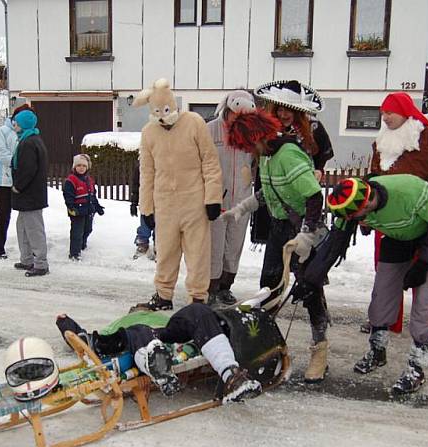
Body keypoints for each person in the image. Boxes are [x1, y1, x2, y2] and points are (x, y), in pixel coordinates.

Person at [223, 108, 330, 384]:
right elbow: (269, 190)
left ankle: (320, 351)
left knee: (309, 291)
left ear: (257, 137)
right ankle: (265, 349)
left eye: (247, 145)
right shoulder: (268, 156)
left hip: (303, 230)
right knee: (268, 289)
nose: (248, 151)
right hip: (279, 230)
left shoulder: (288, 155)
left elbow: (314, 196)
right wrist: (244, 207)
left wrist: (306, 235)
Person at [328, 175, 428, 393]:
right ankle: (377, 350)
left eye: (353, 216)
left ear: (365, 204)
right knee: (383, 290)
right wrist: (313, 275)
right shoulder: (358, 202)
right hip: (399, 233)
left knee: (425, 295)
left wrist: (423, 264)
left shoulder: (409, 193)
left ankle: (417, 366)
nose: (351, 219)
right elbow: (336, 239)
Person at [362, 92, 428, 343]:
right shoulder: (380, 140)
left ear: (405, 112)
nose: (385, 117)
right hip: (389, 213)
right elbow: (374, 174)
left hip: (423, 212)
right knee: (386, 272)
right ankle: (385, 323)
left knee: (425, 273)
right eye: (382, 113)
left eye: (390, 112)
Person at [132, 79, 223, 309]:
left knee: (198, 254)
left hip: (195, 201)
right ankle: (163, 296)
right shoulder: (149, 133)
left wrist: (212, 198)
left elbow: (210, 162)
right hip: (165, 204)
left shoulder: (194, 123)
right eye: (157, 113)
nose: (163, 118)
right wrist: (147, 208)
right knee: (165, 252)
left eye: (166, 110)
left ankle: (198, 299)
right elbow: (147, 172)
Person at [61, 303, 262, 403]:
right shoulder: (124, 322)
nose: (140, 309)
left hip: (168, 334)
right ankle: (159, 369)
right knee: (137, 331)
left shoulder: (157, 316)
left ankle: (231, 375)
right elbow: (86, 342)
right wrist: (65, 323)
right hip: (140, 340)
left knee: (198, 310)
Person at [207, 90, 257, 305]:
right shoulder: (209, 130)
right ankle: (210, 288)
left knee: (234, 247)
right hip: (215, 199)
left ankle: (226, 287)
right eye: (237, 114)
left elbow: (257, 162)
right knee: (213, 248)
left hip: (241, 200)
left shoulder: (251, 134)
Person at [254, 80, 334, 182]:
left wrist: (319, 169)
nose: (283, 115)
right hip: (276, 183)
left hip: (303, 183)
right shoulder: (270, 127)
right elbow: (261, 157)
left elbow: (324, 151)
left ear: (296, 112)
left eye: (288, 110)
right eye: (280, 110)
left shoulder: (313, 125)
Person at [10, 109, 50, 277]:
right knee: (23, 227)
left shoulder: (28, 143)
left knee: (33, 229)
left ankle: (41, 264)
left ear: (24, 124)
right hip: (30, 195)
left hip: (30, 194)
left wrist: (18, 186)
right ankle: (27, 259)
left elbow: (28, 169)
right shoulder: (30, 140)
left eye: (16, 123)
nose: (14, 126)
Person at [0, 103, 28, 259]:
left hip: (20, 179)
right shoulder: (4, 131)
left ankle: (27, 247)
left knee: (26, 214)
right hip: (4, 180)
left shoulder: (24, 133)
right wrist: (17, 164)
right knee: (3, 213)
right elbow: (1, 153)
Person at [64, 153, 104, 260]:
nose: (81, 168)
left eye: (83, 166)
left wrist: (98, 207)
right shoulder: (71, 181)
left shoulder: (89, 180)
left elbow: (93, 196)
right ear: (74, 167)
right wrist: (71, 208)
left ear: (87, 167)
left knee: (88, 229)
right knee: (77, 232)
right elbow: (68, 197)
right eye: (79, 166)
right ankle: (74, 253)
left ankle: (82, 244)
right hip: (77, 211)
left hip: (88, 210)